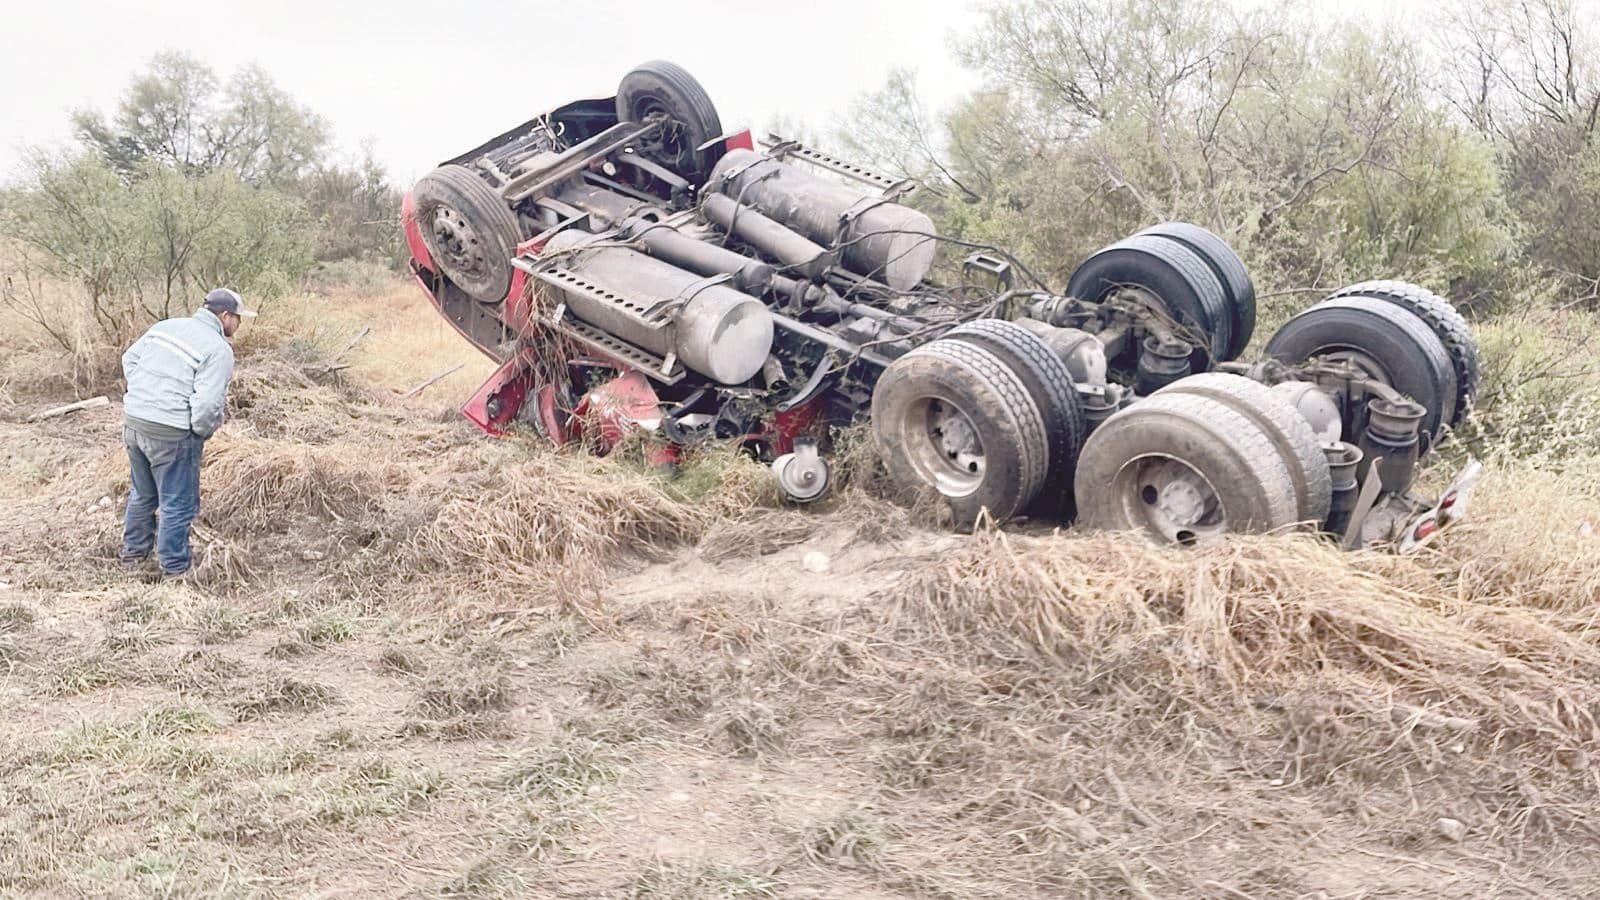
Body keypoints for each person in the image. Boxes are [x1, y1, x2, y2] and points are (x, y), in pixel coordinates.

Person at [119, 288, 256, 577]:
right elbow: (206, 405)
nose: (238, 326)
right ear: (225, 315)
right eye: (238, 319)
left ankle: (133, 555)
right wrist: (199, 432)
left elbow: (129, 360)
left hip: (134, 422)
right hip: (171, 433)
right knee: (177, 503)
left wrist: (147, 395)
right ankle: (174, 568)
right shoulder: (218, 349)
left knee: (143, 494)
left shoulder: (165, 327)